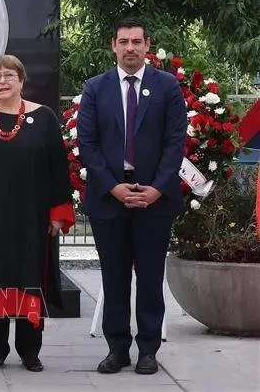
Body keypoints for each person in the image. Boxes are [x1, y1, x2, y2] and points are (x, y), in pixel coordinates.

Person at [77, 18, 187, 375]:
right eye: (123, 41)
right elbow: (88, 144)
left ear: (147, 45)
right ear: (113, 45)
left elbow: (175, 143)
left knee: (151, 277)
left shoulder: (167, 87)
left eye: (136, 41)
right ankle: (117, 348)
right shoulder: (96, 88)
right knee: (114, 276)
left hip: (155, 196)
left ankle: (148, 350)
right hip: (110, 196)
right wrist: (113, 186)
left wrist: (156, 188)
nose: (130, 48)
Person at [0, 55, 75, 372]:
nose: (2, 81)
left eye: (9, 75)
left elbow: (57, 169)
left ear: (22, 80)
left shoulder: (44, 117)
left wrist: (58, 212)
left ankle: (29, 350)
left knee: (29, 277)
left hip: (32, 218)